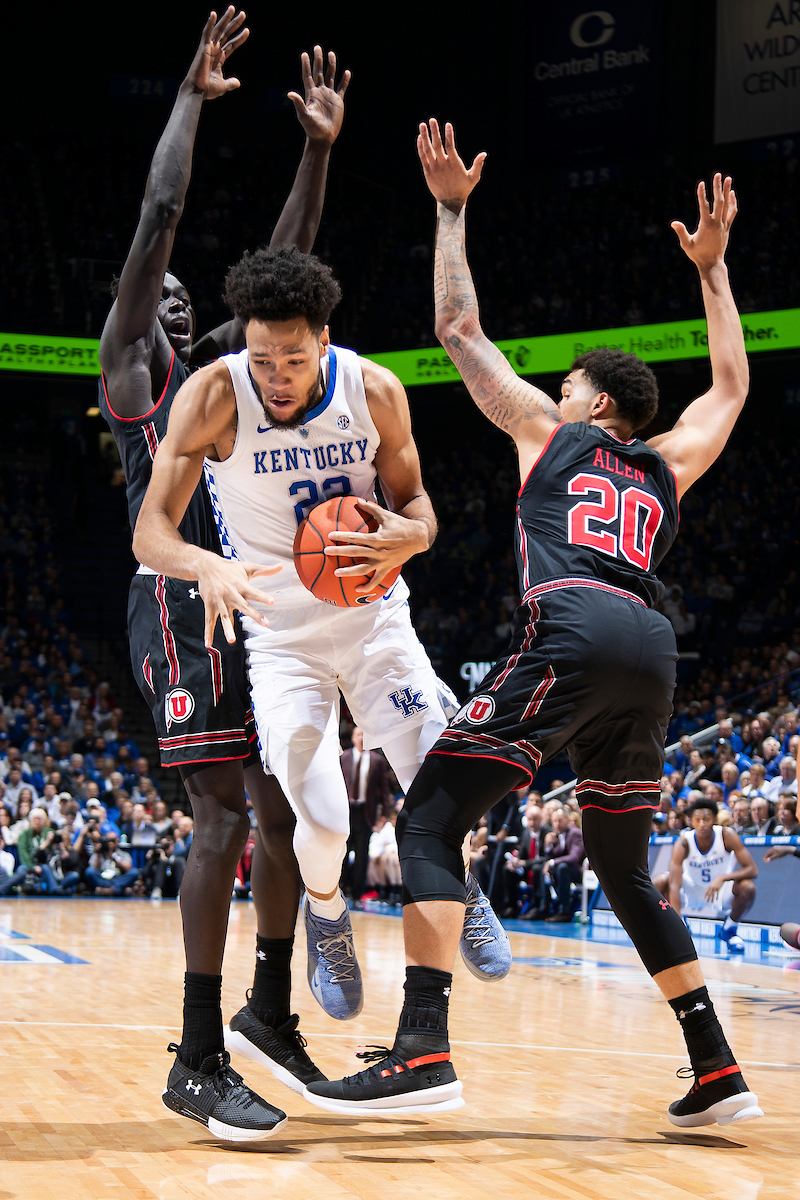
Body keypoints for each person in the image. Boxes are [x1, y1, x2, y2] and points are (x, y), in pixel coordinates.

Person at [302, 120, 763, 1129]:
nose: (554, 391)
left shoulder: (547, 434)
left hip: (575, 628)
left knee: (427, 817)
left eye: (566, 386)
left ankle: (422, 1050)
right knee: (618, 868)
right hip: (651, 651)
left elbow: (458, 330)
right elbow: (729, 385)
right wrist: (713, 272)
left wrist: (450, 209)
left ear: (594, 403)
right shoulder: (667, 460)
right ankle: (716, 1065)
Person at [132, 212, 512, 1054]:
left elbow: (420, 511)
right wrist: (206, 565)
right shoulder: (213, 393)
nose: (275, 374)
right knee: (325, 820)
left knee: (438, 777)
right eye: (262, 356)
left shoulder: (373, 390)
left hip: (374, 618)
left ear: (324, 340)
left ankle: (466, 888)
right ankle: (328, 915)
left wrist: (410, 536)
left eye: (292, 358)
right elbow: (148, 533)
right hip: (280, 637)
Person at [98, 11, 349, 1140]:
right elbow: (159, 219)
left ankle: (262, 1014)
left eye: (197, 305)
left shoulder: (236, 385)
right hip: (179, 596)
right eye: (165, 300)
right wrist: (192, 99)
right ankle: (194, 1058)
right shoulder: (137, 378)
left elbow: (280, 282)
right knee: (220, 814)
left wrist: (317, 150)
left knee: (293, 806)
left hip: (264, 601)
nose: (181, 302)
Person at [654, 797, 757, 951]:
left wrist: (722, 878)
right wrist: (678, 924)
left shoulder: (726, 835)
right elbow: (675, 885)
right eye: (698, 819)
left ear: (715, 820)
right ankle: (677, 926)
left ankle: (729, 929)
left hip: (720, 891)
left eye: (706, 819)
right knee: (660, 881)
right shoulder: (683, 842)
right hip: (691, 890)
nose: (702, 824)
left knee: (748, 887)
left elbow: (752, 869)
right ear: (692, 821)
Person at [340, 727, 391, 899]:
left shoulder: (377, 761)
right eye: (358, 735)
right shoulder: (343, 757)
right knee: (342, 853)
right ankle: (339, 890)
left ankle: (357, 894)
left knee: (362, 856)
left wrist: (384, 816)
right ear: (353, 738)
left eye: (364, 735)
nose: (361, 738)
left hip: (365, 813)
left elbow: (384, 790)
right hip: (345, 812)